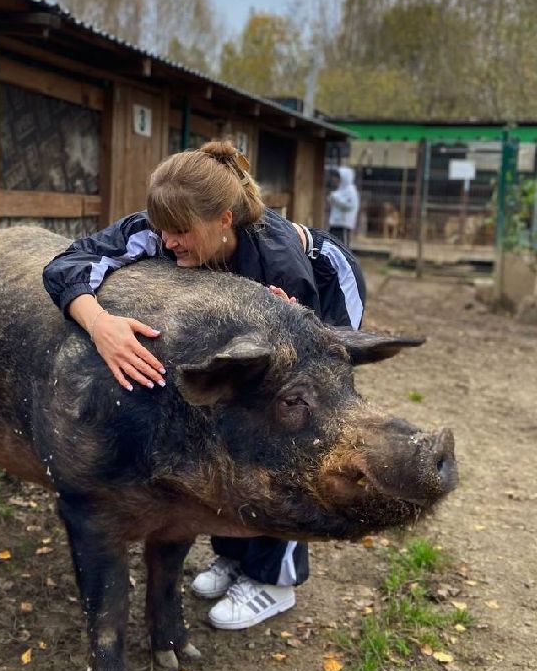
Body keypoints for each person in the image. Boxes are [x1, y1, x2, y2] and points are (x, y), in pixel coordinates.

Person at [42, 140, 367, 630]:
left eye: (180, 233)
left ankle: (273, 580)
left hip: (326, 299)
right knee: (227, 429)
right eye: (162, 232)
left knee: (291, 434)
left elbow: (302, 376)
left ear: (224, 220)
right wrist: (99, 324)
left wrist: (290, 317)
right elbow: (64, 266)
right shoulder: (159, 229)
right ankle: (233, 556)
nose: (168, 243)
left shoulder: (281, 266)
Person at [327, 165, 360, 247]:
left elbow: (350, 206)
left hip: (343, 225)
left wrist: (336, 199)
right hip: (334, 224)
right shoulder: (340, 190)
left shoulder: (351, 191)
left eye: (337, 177)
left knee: (343, 248)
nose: (334, 179)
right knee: (332, 246)